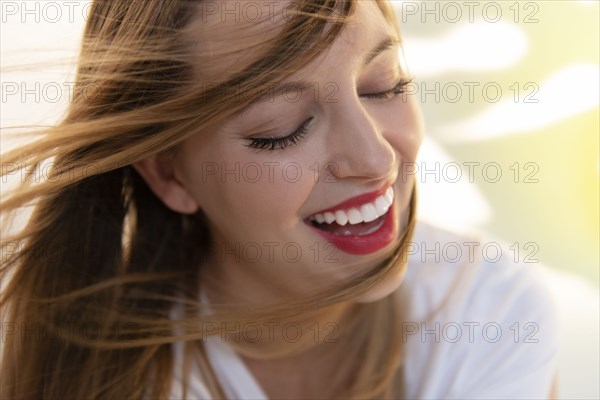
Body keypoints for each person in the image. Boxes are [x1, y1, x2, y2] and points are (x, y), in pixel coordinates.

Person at [0, 0, 559, 399]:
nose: (375, 160)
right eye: (283, 127)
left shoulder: (492, 315)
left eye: (382, 84)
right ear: (170, 172)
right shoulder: (87, 376)